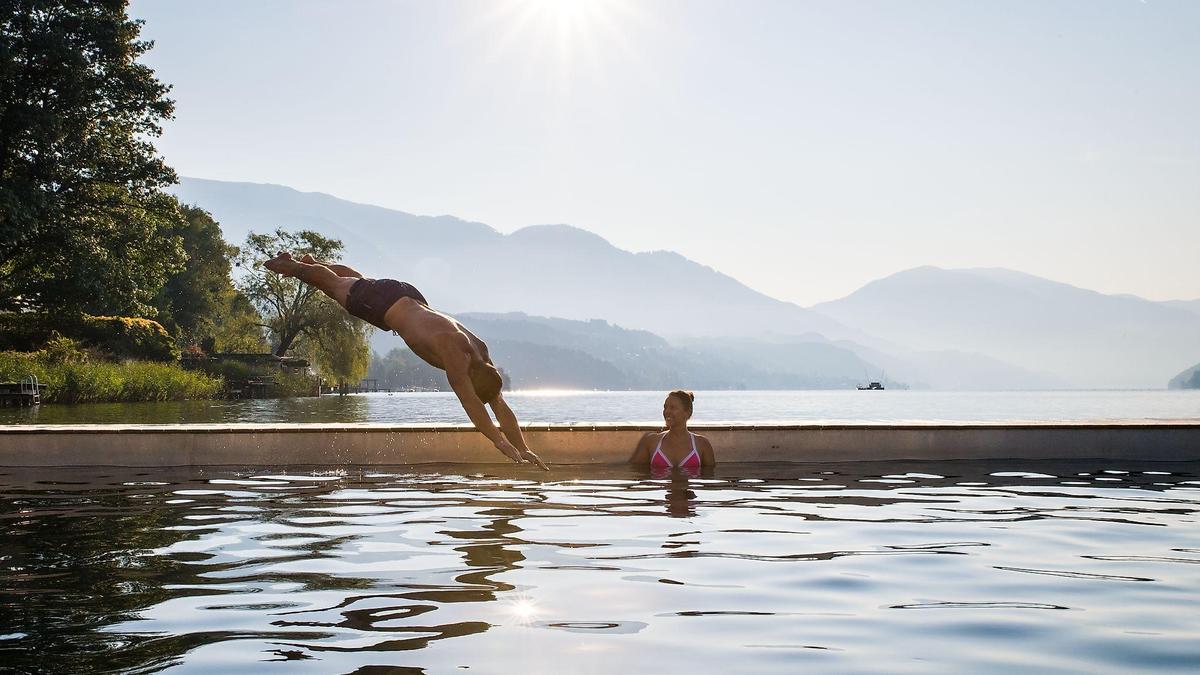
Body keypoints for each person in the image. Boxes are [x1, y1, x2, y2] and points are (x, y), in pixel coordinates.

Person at [263, 252, 548, 470]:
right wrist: (499, 441)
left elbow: (498, 404)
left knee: (354, 281)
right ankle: (288, 265)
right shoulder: (456, 355)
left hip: (408, 295)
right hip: (387, 307)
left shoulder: (481, 353)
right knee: (334, 285)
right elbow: (471, 403)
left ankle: (313, 261)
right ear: (474, 378)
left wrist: (523, 447)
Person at [629, 390, 716, 473]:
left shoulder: (702, 444)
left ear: (687, 413)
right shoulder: (651, 441)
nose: (667, 411)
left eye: (673, 408)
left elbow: (709, 477)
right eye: (665, 407)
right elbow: (635, 473)